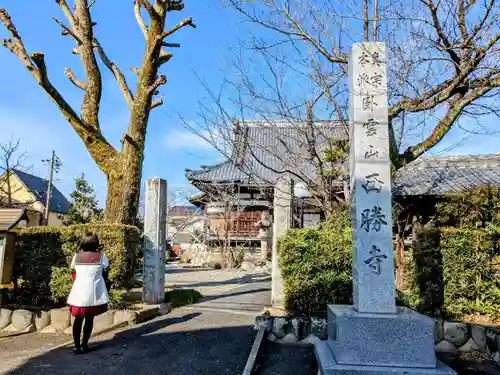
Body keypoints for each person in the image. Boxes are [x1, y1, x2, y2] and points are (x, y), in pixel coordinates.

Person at [67, 232, 110, 354]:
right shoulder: (101, 256)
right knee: (89, 319)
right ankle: (84, 345)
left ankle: (76, 346)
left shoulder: (77, 256)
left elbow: (73, 271)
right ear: (96, 243)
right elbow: (106, 270)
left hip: (78, 292)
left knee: (77, 319)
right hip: (93, 293)